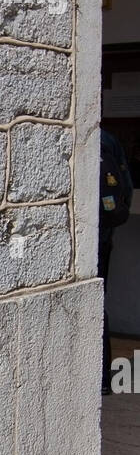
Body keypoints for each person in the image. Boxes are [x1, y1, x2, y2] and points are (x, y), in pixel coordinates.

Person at [99, 126, 134, 392]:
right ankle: (103, 380)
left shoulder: (88, 137)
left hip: (90, 234)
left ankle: (98, 379)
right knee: (100, 302)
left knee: (93, 303)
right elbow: (127, 187)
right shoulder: (109, 138)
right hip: (104, 233)